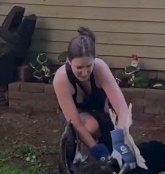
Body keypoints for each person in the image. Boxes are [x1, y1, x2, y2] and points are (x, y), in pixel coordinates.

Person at [53, 27, 133, 162]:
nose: (84, 73)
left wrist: (120, 140)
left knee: (116, 119)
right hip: (77, 116)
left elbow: (122, 109)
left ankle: (113, 145)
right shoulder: (61, 79)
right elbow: (76, 123)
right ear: (69, 61)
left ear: (94, 59)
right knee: (91, 125)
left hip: (100, 110)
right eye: (79, 67)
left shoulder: (100, 68)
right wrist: (96, 149)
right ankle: (83, 154)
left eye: (88, 66)